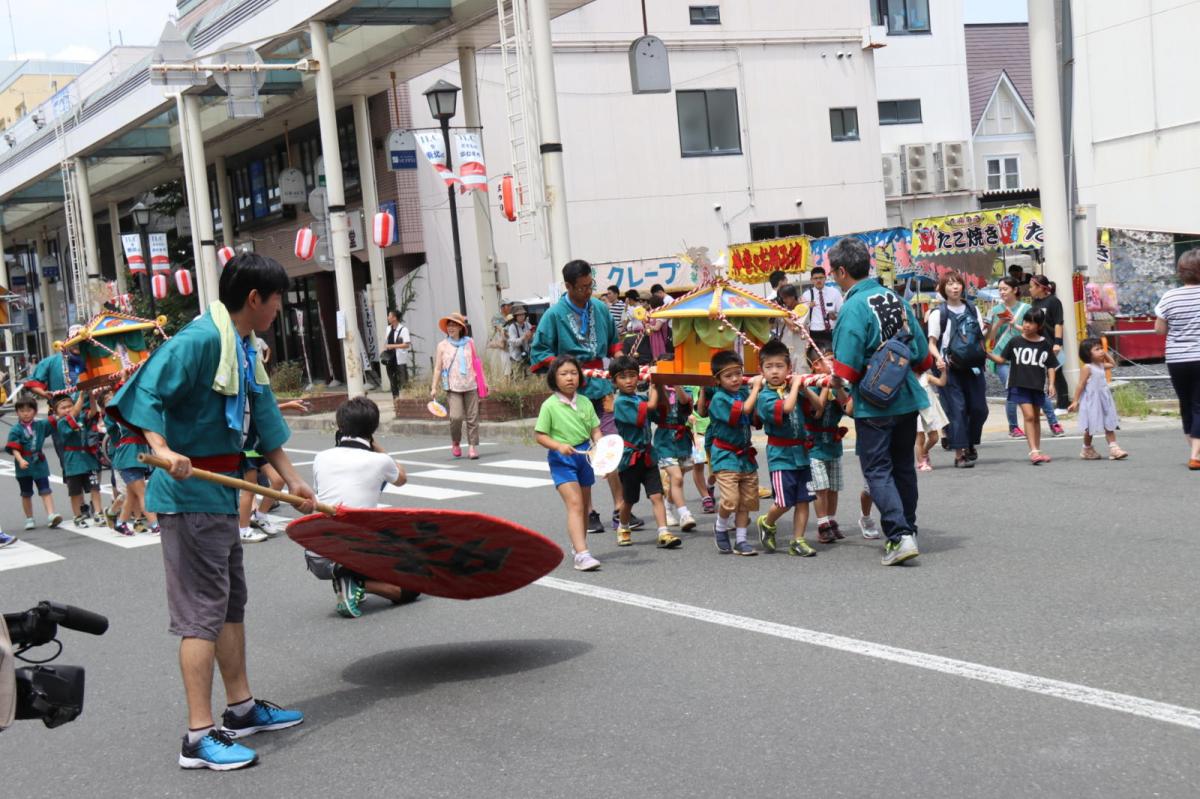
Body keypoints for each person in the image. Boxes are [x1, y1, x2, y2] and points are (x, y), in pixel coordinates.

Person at [108, 252, 315, 771]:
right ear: (254, 299)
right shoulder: (201, 340)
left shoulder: (243, 348)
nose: (278, 309)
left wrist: (292, 481)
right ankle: (198, 735)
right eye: (276, 300)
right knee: (201, 614)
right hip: (187, 493)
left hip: (219, 494)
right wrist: (162, 444)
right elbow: (143, 392)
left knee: (229, 606)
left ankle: (241, 708)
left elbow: (264, 418)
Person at [828, 236, 932, 566]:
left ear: (842, 271)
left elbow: (845, 367)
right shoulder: (894, 298)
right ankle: (909, 530)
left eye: (833, 271)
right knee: (903, 466)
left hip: (874, 401)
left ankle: (898, 535)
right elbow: (922, 355)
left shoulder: (854, 306)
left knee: (877, 469)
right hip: (906, 395)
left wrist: (841, 396)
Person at [531, 260, 639, 534]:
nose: (588, 292)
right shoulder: (554, 315)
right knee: (581, 451)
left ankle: (619, 507)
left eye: (590, 286)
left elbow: (614, 341)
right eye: (581, 288)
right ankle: (589, 511)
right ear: (568, 286)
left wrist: (620, 361)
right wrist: (568, 369)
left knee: (611, 446)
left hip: (601, 387)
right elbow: (539, 351)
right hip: (572, 391)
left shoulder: (600, 308)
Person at [309, 397, 417, 618]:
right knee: (411, 589)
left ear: (340, 426)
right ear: (373, 429)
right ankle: (356, 581)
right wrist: (377, 447)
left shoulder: (320, 458)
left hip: (317, 557)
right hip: (356, 553)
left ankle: (350, 578)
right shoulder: (380, 461)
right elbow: (402, 477)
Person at [534, 354, 603, 571]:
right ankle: (582, 555)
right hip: (562, 459)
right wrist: (558, 446)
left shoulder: (585, 402)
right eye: (563, 374)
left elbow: (595, 430)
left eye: (574, 373)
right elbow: (540, 435)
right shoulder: (549, 405)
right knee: (574, 503)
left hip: (585, 456)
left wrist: (601, 448)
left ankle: (579, 546)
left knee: (583, 506)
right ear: (554, 378)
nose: (570, 378)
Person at [753, 340, 817, 557]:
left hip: (802, 454)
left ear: (789, 369)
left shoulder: (792, 389)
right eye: (769, 367)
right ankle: (767, 521)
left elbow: (818, 407)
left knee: (804, 499)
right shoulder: (765, 396)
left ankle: (798, 540)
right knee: (784, 501)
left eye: (780, 366)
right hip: (781, 456)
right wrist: (797, 385)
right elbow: (787, 408)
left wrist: (805, 389)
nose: (774, 371)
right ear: (761, 370)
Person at [610, 355, 681, 549]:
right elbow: (650, 406)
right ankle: (623, 526)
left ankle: (663, 532)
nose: (629, 381)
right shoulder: (621, 403)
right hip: (630, 459)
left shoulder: (640, 397)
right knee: (629, 500)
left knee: (656, 495)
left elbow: (661, 407)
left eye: (632, 375)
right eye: (623, 377)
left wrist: (661, 385)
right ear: (614, 381)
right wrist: (656, 385)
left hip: (648, 456)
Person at [926, 271, 989, 469]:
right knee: (957, 410)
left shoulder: (972, 309)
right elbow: (932, 343)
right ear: (943, 289)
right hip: (950, 368)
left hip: (973, 367)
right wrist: (938, 360)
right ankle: (959, 453)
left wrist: (995, 327)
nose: (955, 287)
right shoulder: (939, 313)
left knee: (979, 409)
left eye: (958, 284)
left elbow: (980, 338)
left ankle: (969, 442)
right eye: (950, 284)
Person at [986, 308, 1059, 465]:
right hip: (1019, 385)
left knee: (1037, 420)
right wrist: (987, 354)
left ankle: (1037, 450)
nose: (1027, 325)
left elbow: (1051, 365)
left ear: (1039, 326)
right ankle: (1033, 451)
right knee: (1029, 416)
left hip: (1037, 386)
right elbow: (1001, 359)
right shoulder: (1015, 341)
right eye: (1026, 321)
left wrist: (1051, 384)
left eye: (1032, 323)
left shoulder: (1044, 344)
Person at [707, 349, 762, 556]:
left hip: (745, 455)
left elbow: (754, 415)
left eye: (738, 373)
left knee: (746, 500)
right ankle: (720, 526)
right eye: (728, 376)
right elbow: (745, 409)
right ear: (718, 380)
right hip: (725, 454)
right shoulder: (720, 399)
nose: (735, 379)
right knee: (730, 499)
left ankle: (741, 540)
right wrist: (756, 387)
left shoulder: (744, 393)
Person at [1154, 249, 1200, 470]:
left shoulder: (1169, 297)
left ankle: (1194, 451)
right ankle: (1195, 455)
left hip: (1177, 359)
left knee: (1186, 403)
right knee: (1199, 404)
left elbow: (1159, 330)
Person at [804, 350, 851, 543]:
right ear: (816, 365)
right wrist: (825, 384)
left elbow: (848, 408)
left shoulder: (838, 385)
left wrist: (837, 386)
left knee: (833, 486)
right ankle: (822, 523)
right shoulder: (809, 386)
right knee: (820, 487)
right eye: (830, 361)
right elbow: (817, 411)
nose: (834, 365)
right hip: (814, 444)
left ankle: (831, 521)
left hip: (833, 443)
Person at [430, 312, 488, 460]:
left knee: (472, 417)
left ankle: (472, 447)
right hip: (453, 386)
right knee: (455, 417)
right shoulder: (442, 346)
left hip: (471, 384)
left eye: (454, 325)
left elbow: (476, 363)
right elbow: (438, 367)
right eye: (449, 325)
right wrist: (434, 387)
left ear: (461, 327)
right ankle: (456, 441)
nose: (451, 328)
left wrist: (484, 381)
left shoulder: (470, 342)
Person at [5, 395, 63, 531]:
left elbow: (55, 419)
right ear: (17, 412)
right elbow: (14, 448)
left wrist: (62, 409)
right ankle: (29, 518)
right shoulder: (16, 430)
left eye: (29, 410)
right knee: (26, 493)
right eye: (22, 410)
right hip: (23, 465)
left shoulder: (40, 425)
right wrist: (20, 460)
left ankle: (51, 515)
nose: (25, 413)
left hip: (39, 463)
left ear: (35, 411)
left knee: (45, 490)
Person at [105, 392, 159, 536]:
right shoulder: (117, 418)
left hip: (134, 457)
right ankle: (155, 525)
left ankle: (120, 523)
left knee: (132, 495)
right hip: (127, 458)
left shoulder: (130, 412)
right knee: (142, 493)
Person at [985, 276, 1033, 438]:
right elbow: (990, 339)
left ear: (1015, 290)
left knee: (1030, 389)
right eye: (1000, 289)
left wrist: (1014, 323)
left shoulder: (1026, 308)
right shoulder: (995, 310)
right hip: (1001, 357)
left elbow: (1032, 332)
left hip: (1023, 356)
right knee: (1011, 388)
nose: (1002, 292)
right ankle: (1013, 427)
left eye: (1005, 289)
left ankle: (1048, 421)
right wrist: (998, 324)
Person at [1069, 339, 1128, 461]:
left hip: (1104, 400)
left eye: (1101, 348)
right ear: (1087, 353)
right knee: (1090, 428)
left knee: (1109, 424)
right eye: (1097, 349)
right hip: (1092, 401)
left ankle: (1114, 448)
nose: (1101, 351)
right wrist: (1075, 401)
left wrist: (1104, 353)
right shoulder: (1088, 367)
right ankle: (1086, 448)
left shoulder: (1101, 365)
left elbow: (1112, 364)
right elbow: (1080, 384)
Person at [54, 392, 104, 527]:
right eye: (63, 408)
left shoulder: (80, 417)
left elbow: (93, 411)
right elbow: (73, 414)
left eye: (70, 406)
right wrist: (81, 396)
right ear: (57, 413)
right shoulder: (62, 423)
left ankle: (98, 514)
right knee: (75, 492)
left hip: (88, 458)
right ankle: (77, 516)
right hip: (73, 462)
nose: (67, 409)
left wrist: (91, 396)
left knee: (95, 487)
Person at [653, 385, 697, 531]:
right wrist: (657, 387)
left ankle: (667, 507)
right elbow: (652, 410)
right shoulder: (657, 388)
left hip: (682, 439)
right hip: (664, 440)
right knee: (677, 477)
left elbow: (686, 403)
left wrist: (677, 384)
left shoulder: (685, 388)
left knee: (677, 479)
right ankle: (684, 514)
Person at [1028, 274, 1068, 434]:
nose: (1029, 289)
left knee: (1057, 372)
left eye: (1032, 286)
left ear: (1040, 288)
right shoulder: (1035, 302)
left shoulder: (1053, 301)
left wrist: (1058, 342)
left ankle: (1063, 405)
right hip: (1039, 341)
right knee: (1043, 374)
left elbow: (1059, 323)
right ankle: (1046, 405)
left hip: (1052, 343)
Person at [686, 384, 716, 513]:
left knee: (715, 469)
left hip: (713, 429)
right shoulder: (684, 385)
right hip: (694, 431)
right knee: (698, 465)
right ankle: (705, 497)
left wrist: (703, 386)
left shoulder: (713, 384)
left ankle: (709, 486)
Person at [915, 366, 949, 472]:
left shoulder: (926, 377)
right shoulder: (907, 378)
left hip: (929, 410)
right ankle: (921, 462)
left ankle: (924, 452)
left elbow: (941, 383)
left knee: (934, 438)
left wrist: (944, 371)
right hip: (916, 410)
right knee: (920, 439)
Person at [802, 267, 843, 353]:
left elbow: (842, 312)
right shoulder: (807, 295)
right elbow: (802, 315)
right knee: (818, 355)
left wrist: (835, 316)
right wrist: (807, 307)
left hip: (832, 330)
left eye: (821, 278)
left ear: (825, 278)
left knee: (833, 354)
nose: (818, 280)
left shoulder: (834, 293)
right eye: (815, 278)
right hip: (815, 331)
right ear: (811, 280)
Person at [772, 283, 811, 370]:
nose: (784, 300)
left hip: (799, 348)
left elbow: (794, 327)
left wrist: (781, 313)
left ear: (793, 296)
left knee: (801, 371)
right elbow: (772, 326)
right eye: (782, 298)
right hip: (786, 348)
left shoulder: (802, 307)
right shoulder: (784, 310)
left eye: (785, 298)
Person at [381, 309, 411, 400]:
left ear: (394, 318)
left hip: (399, 359)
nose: (388, 317)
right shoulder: (388, 328)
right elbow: (387, 342)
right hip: (389, 359)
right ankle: (396, 401)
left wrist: (392, 346)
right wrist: (385, 347)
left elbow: (406, 344)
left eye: (389, 316)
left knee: (403, 381)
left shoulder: (403, 329)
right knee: (392, 382)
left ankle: (408, 400)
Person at [504, 303, 533, 375]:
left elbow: (531, 341)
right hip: (516, 357)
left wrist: (531, 336)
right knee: (518, 379)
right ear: (515, 316)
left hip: (526, 356)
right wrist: (524, 337)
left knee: (529, 377)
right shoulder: (512, 327)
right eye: (519, 315)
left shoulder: (527, 325)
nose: (521, 316)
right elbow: (513, 342)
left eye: (523, 314)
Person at [646, 296, 672, 362]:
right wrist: (647, 326)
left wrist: (649, 326)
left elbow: (657, 328)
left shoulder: (661, 314)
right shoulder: (652, 314)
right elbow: (649, 331)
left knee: (660, 355)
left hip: (660, 338)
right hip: (652, 337)